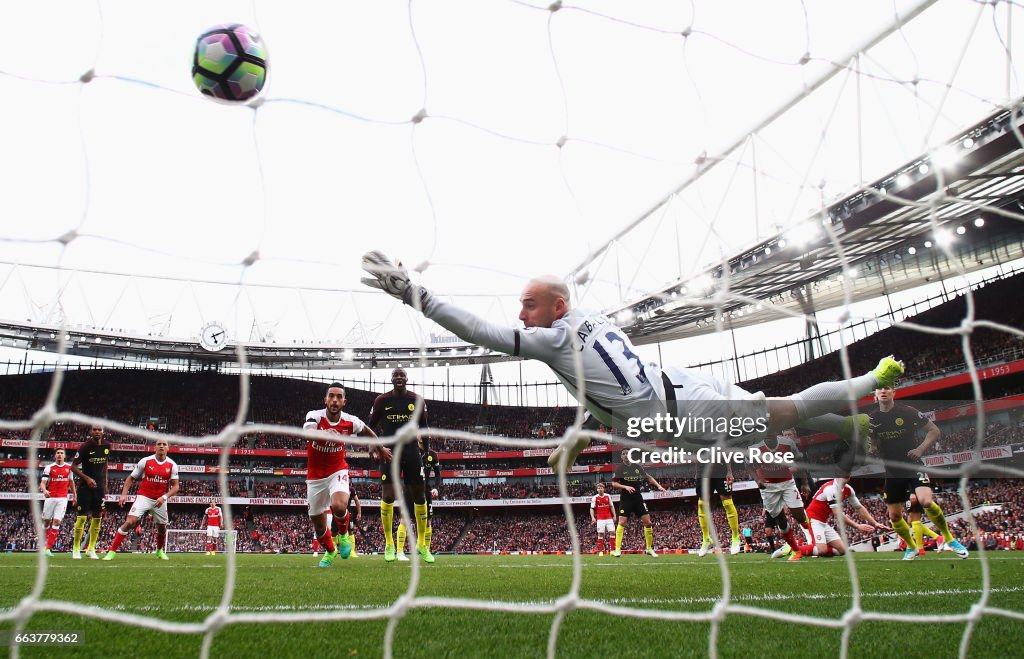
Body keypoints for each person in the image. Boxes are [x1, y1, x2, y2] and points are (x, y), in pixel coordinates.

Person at [360, 252, 904, 471]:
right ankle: (851, 421)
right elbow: (606, 397)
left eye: (530, 304)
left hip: (684, 412)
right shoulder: (588, 322)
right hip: (677, 392)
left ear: (557, 306)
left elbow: (484, 333)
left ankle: (870, 379)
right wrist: (576, 440)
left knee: (781, 414)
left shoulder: (552, 338)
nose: (521, 313)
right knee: (779, 416)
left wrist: (416, 294)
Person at [867, 386, 969, 560]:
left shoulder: (907, 411)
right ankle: (911, 547)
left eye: (887, 388)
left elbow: (934, 430)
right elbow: (873, 441)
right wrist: (872, 447)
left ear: (894, 392)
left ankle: (950, 539)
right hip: (892, 470)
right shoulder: (871, 418)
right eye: (879, 389)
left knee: (926, 501)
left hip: (913, 465)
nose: (883, 391)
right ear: (874, 395)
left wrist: (920, 449)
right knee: (894, 515)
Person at [304, 382, 381, 568]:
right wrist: (324, 433)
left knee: (339, 505)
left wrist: (378, 446)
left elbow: (367, 430)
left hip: (337, 469)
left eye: (339, 397)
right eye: (331, 396)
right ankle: (330, 551)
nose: (335, 400)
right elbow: (308, 431)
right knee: (319, 525)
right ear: (325, 400)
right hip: (315, 477)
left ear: (344, 402)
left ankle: (344, 534)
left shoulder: (350, 421)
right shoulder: (314, 416)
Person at [369, 368, 433, 564]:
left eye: (402, 375)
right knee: (388, 495)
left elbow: (424, 428)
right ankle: (389, 544)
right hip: (390, 451)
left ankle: (422, 545)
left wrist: (427, 452)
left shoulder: (417, 400)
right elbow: (370, 426)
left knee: (419, 496)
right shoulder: (381, 401)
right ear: (391, 379)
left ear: (406, 379)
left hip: (412, 451)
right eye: (395, 375)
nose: (399, 378)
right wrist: (375, 447)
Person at [103, 440, 179, 560]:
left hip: (160, 499)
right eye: (159, 444)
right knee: (130, 522)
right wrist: (123, 495)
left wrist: (164, 497)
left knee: (162, 528)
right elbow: (130, 478)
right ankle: (112, 551)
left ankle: (159, 551)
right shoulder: (145, 461)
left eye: (164, 444)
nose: (161, 446)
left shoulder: (172, 465)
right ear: (155, 447)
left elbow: (176, 486)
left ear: (168, 448)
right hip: (143, 497)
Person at [748, 429, 813, 560]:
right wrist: (757, 480)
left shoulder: (787, 444)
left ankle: (816, 539)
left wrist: (805, 483)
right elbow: (748, 464)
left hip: (787, 483)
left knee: (799, 515)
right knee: (781, 521)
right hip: (768, 488)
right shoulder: (755, 447)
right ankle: (795, 551)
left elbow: (800, 462)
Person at [789, 477, 889, 561]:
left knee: (842, 550)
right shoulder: (830, 489)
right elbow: (837, 514)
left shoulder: (848, 489)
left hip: (823, 522)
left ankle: (805, 547)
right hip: (812, 519)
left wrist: (875, 523)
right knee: (821, 550)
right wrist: (857, 526)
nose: (845, 477)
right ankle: (792, 548)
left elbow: (859, 507)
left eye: (847, 475)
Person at [611, 449, 666, 557]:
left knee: (648, 522)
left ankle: (649, 549)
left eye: (627, 453)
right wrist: (625, 486)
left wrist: (658, 486)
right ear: (621, 457)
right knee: (622, 522)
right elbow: (613, 484)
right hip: (626, 499)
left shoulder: (637, 467)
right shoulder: (620, 469)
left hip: (637, 498)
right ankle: (617, 550)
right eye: (623, 454)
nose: (626, 455)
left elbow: (648, 477)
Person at [69, 425, 110, 560]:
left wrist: (105, 483)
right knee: (82, 517)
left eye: (100, 430)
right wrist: (87, 479)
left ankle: (91, 549)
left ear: (103, 432)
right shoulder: (85, 447)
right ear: (91, 432)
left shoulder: (107, 446)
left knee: (98, 517)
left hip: (99, 488)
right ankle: (76, 549)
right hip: (85, 488)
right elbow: (73, 466)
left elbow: (105, 465)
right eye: (95, 430)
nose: (97, 432)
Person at [396, 438, 441, 560]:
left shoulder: (433, 455)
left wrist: (436, 487)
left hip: (426, 491)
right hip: (410, 489)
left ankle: (424, 548)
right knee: (405, 519)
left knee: (427, 521)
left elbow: (438, 475)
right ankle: (399, 552)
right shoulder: (409, 452)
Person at [695, 465, 742, 557]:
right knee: (702, 503)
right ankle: (706, 539)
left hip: (720, 468)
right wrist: (697, 472)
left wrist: (729, 471)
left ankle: (736, 537)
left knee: (727, 502)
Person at [39, 448, 76, 557]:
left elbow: (71, 482)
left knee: (57, 522)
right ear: (55, 456)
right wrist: (45, 490)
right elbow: (42, 483)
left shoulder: (69, 468)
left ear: (64, 456)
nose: (59, 455)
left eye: (61, 453)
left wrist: (74, 495)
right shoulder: (49, 468)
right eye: (58, 453)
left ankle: (47, 549)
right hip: (50, 498)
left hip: (62, 498)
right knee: (46, 521)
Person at [589, 482, 616, 556]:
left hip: (609, 518)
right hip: (600, 519)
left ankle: (612, 550)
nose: (600, 489)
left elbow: (611, 506)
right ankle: (601, 551)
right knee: (601, 534)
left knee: (612, 532)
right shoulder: (595, 498)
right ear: (597, 490)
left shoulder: (608, 496)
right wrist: (593, 517)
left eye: (601, 488)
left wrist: (614, 515)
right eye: (599, 488)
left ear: (604, 489)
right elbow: (592, 508)